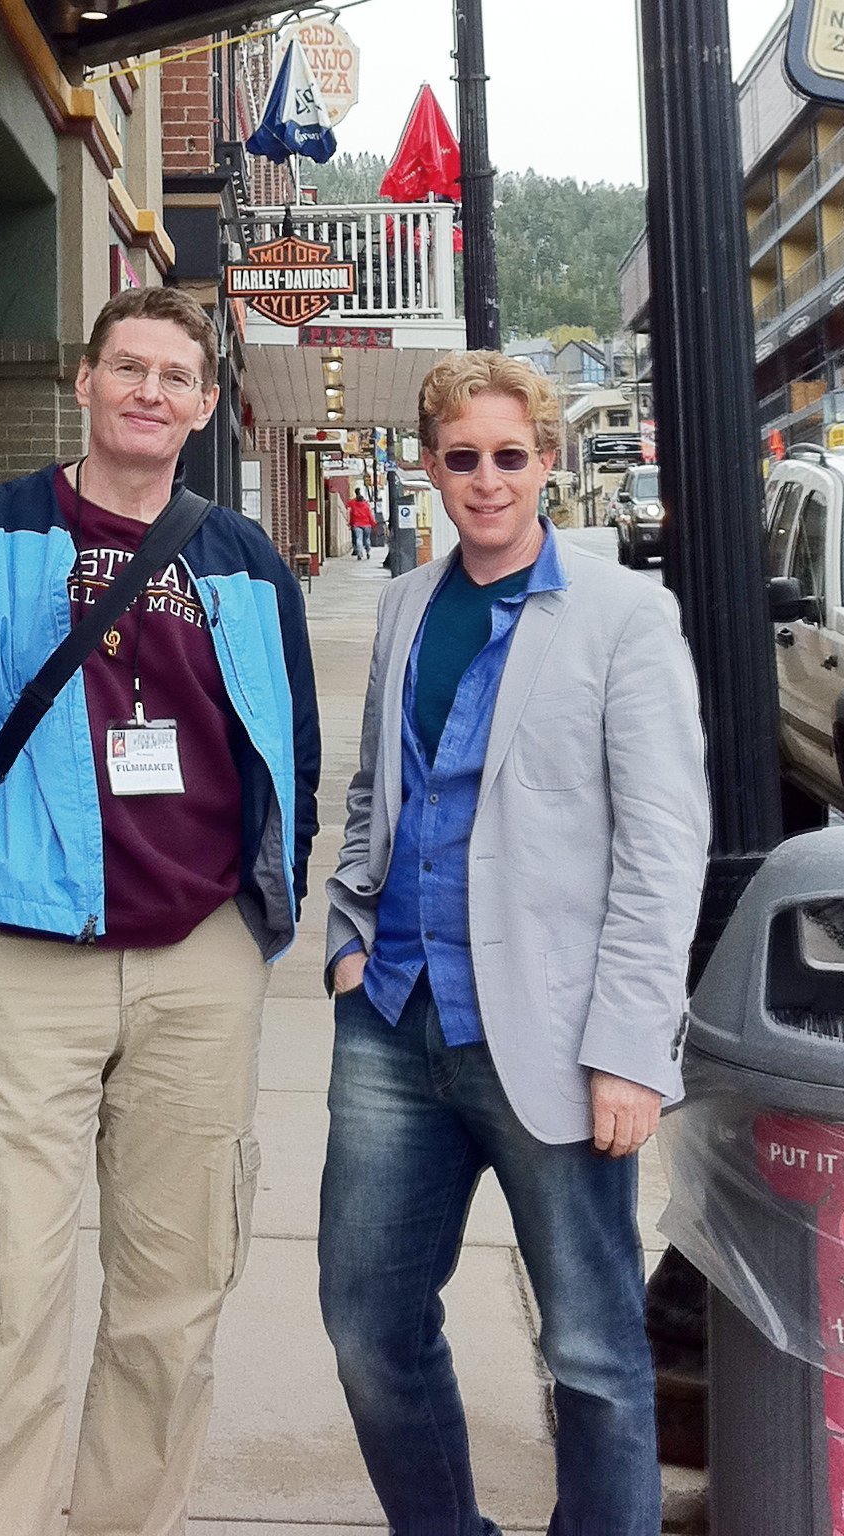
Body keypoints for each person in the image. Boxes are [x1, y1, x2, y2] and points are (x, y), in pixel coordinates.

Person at [0, 285, 319, 1536]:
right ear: (83, 380)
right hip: (23, 957)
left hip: (198, 966)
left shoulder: (244, 561)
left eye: (177, 377)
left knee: (171, 1305)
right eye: (129, 367)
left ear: (207, 405)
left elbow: (294, 755)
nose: (150, 392)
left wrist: (249, 922)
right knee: (5, 1296)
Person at [318, 349, 710, 1536]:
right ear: (428, 465)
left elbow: (661, 845)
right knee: (368, 1326)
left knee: (591, 1352)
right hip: (393, 1020)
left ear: (547, 460)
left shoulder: (624, 615)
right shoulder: (405, 602)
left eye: (510, 456)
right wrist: (347, 927)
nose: (486, 480)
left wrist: (634, 1048)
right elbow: (371, 792)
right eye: (461, 458)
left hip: (548, 1032)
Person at [348, 485, 377, 560]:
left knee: (359, 539)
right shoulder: (366, 506)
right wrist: (373, 524)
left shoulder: (353, 505)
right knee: (367, 538)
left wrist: (351, 524)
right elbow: (370, 516)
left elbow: (351, 516)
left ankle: (359, 552)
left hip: (357, 525)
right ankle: (368, 551)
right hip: (367, 525)